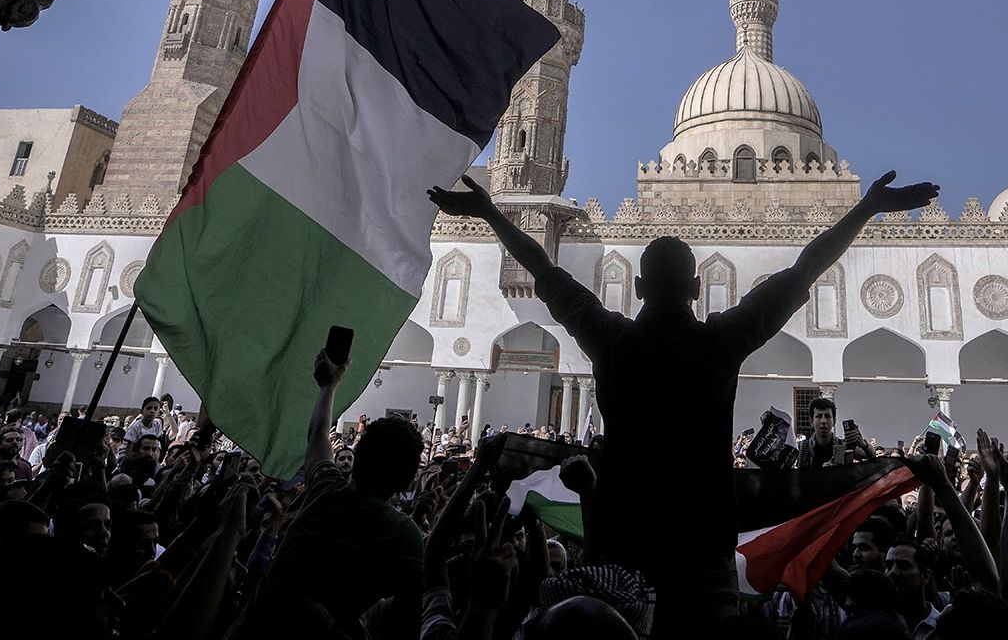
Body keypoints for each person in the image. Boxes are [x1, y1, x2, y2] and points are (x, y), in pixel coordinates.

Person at [431, 169, 937, 631]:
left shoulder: (609, 339)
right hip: (701, 552)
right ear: (698, 287)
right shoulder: (720, 342)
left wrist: (491, 213)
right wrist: (866, 209)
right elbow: (804, 269)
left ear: (637, 285)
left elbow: (544, 270)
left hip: (622, 546)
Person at [239, 351, 425, 638]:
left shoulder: (325, 491)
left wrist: (329, 386)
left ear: (357, 458)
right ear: (409, 480)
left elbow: (317, 435)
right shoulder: (403, 534)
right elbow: (408, 618)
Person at [795, 396, 870, 468]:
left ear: (834, 421)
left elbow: (871, 456)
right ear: (811, 421)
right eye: (819, 416)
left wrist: (863, 444)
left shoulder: (844, 446)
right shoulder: (802, 448)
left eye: (827, 416)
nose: (823, 421)